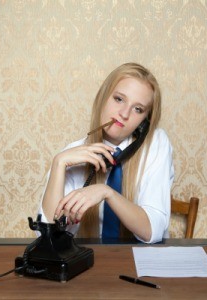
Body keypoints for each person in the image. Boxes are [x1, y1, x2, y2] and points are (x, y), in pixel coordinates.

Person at [38, 62, 174, 243]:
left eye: (138, 109)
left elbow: (152, 230)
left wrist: (107, 192)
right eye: (119, 99)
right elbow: (46, 238)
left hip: (145, 263)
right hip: (94, 261)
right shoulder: (72, 154)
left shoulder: (157, 144)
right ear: (103, 97)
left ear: (144, 122)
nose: (124, 114)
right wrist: (58, 163)